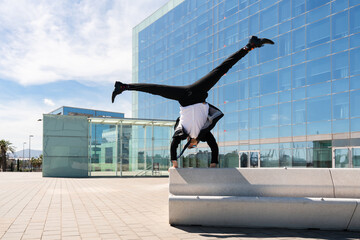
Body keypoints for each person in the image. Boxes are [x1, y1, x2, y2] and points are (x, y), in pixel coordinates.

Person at [112, 36, 274, 168]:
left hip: (184, 98)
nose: (194, 144)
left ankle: (124, 87)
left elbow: (173, 145)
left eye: (191, 146)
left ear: (188, 142)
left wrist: (174, 162)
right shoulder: (204, 133)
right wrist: (214, 162)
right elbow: (214, 146)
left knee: (155, 89)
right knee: (221, 70)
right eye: (194, 146)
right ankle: (251, 45)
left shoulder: (182, 134)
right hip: (199, 94)